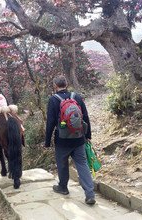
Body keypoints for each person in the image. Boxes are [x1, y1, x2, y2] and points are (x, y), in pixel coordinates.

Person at [44, 75, 96, 205]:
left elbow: (50, 122)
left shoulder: (53, 100)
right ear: (66, 84)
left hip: (62, 140)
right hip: (78, 138)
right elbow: (85, 116)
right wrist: (88, 134)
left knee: (62, 164)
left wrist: (47, 141)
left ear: (55, 86)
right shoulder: (76, 97)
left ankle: (63, 187)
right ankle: (90, 195)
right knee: (82, 164)